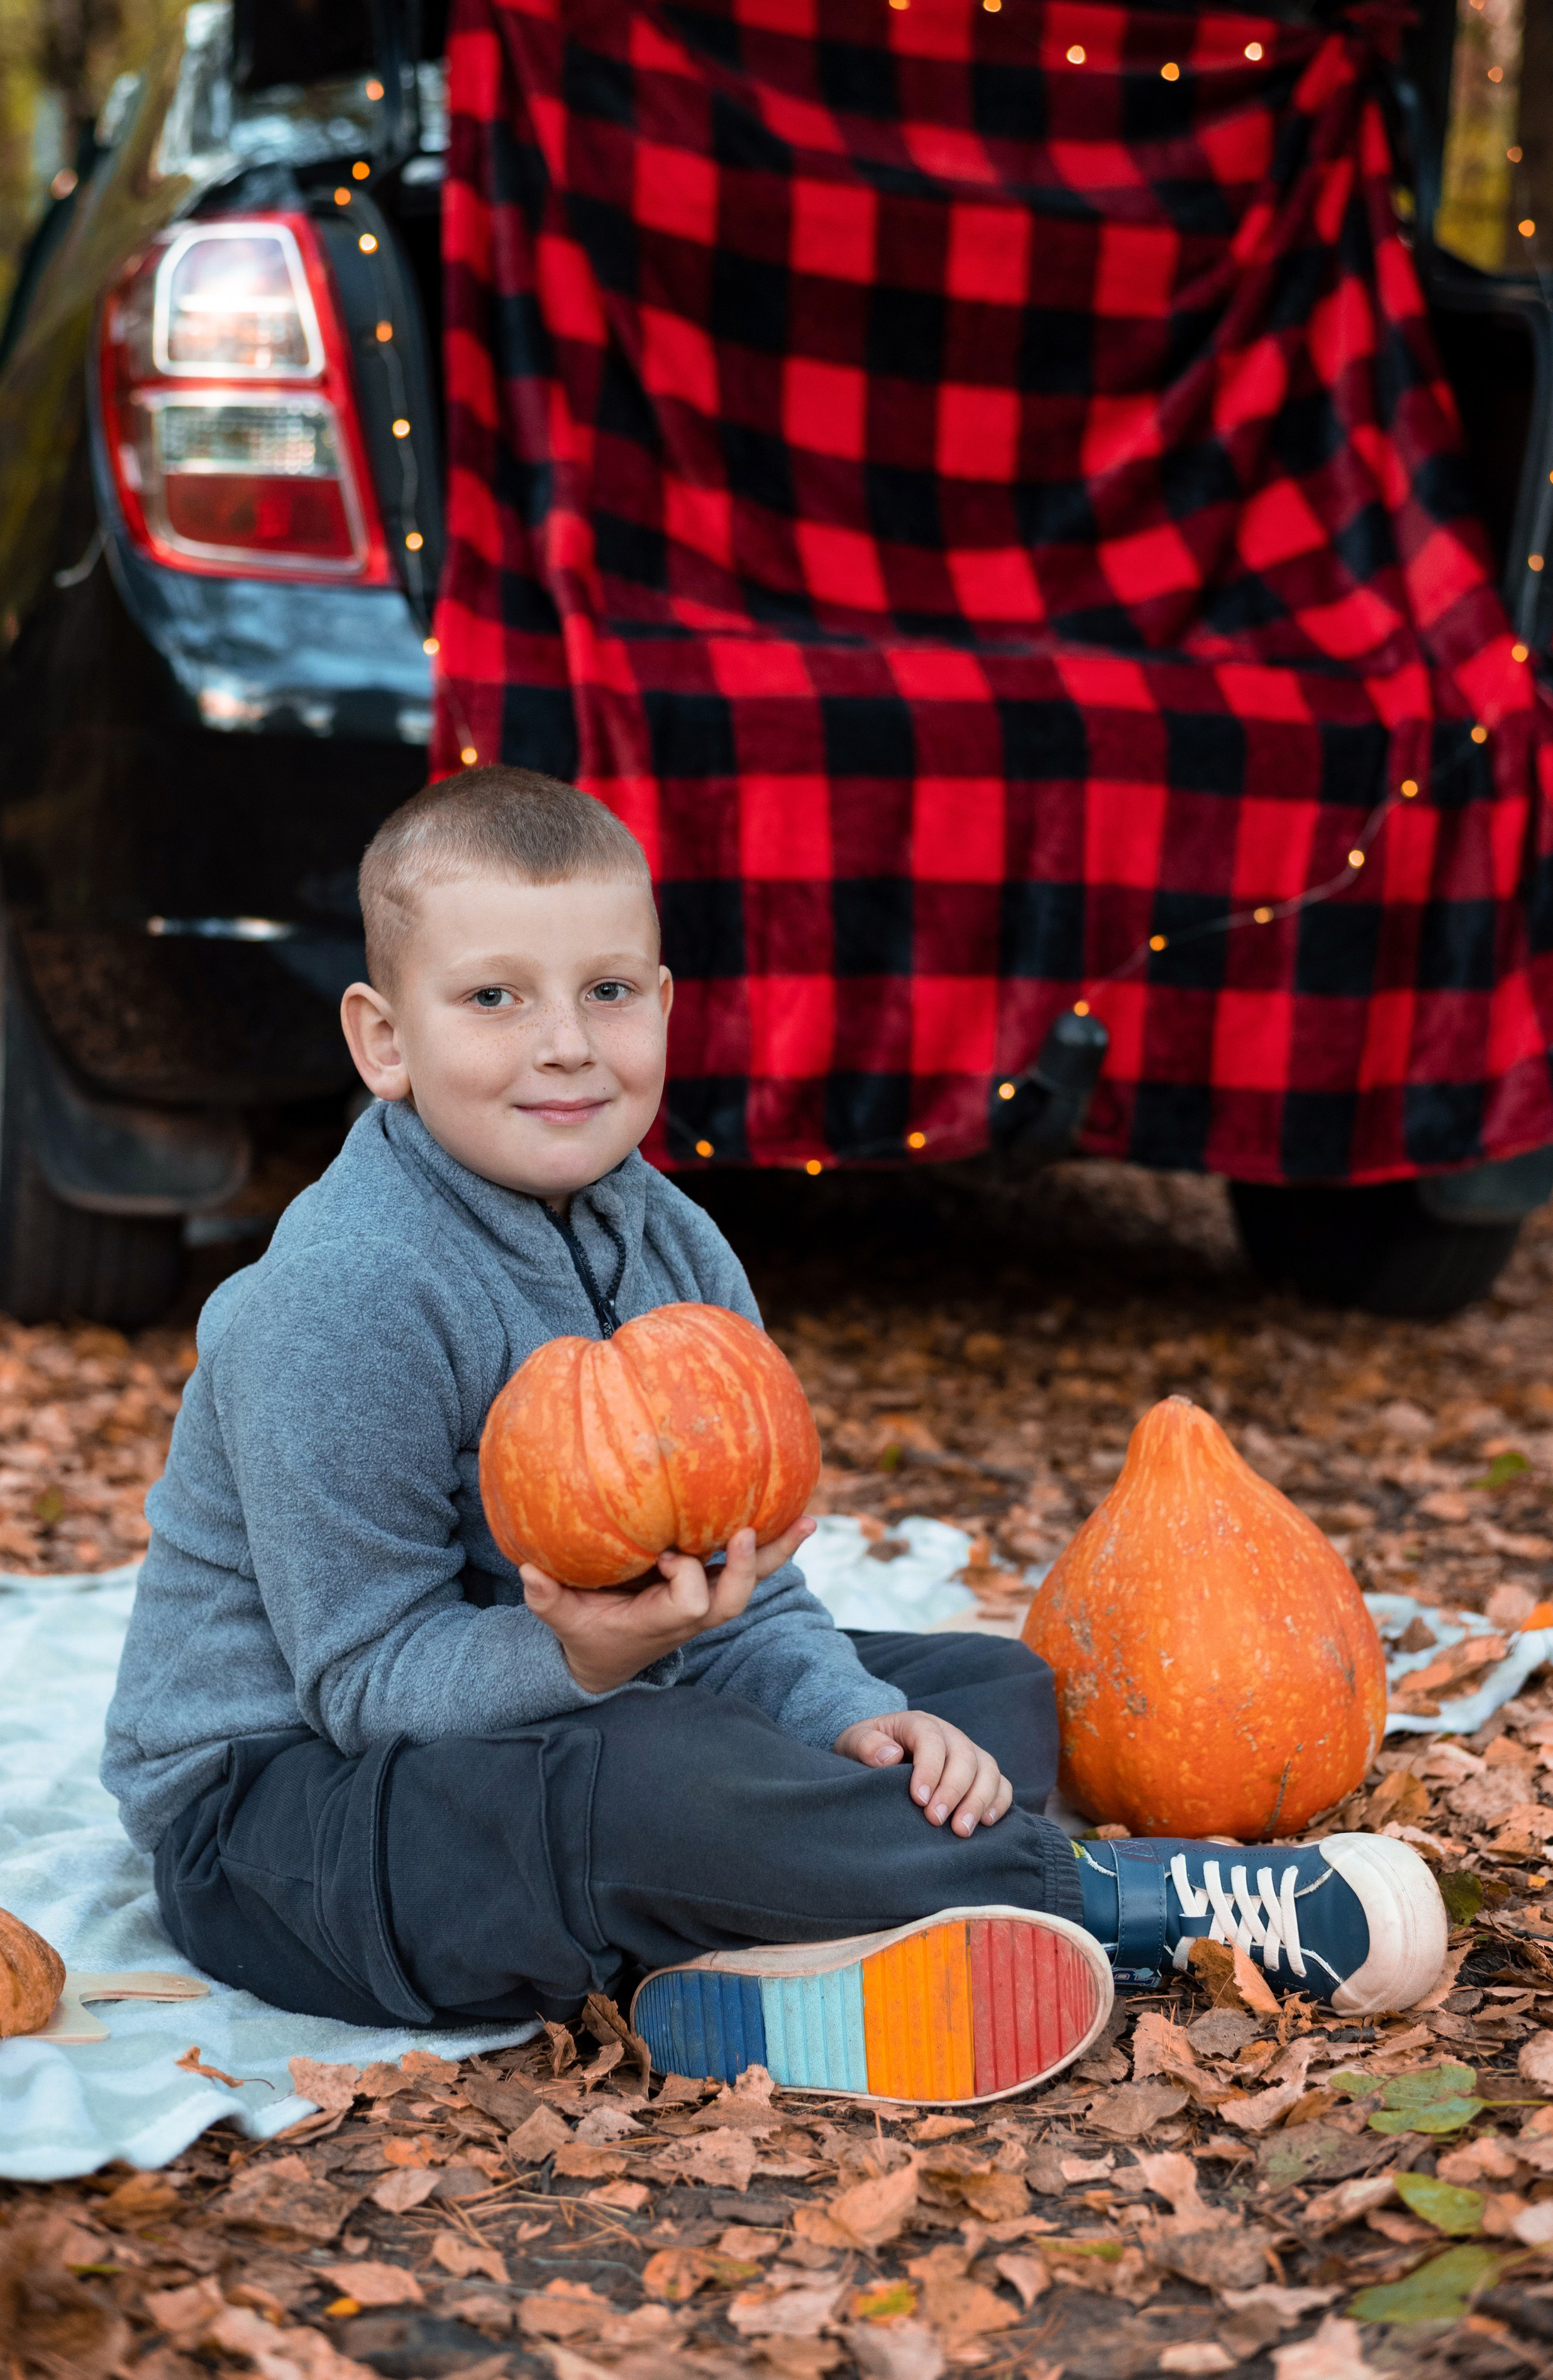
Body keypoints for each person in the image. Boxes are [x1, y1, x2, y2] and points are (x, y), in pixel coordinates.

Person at [102, 765, 1445, 2105]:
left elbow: (751, 1599)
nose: (565, 1042)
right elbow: (363, 1678)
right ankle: (1129, 1906)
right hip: (290, 1819)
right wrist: (582, 1652)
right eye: (493, 997)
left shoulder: (677, 1248)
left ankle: (774, 1963)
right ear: (384, 1039)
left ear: (664, 1006)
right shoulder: (341, 1297)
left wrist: (854, 1721)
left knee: (982, 1695)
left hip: (586, 1711)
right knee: (645, 1775)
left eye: (608, 991)